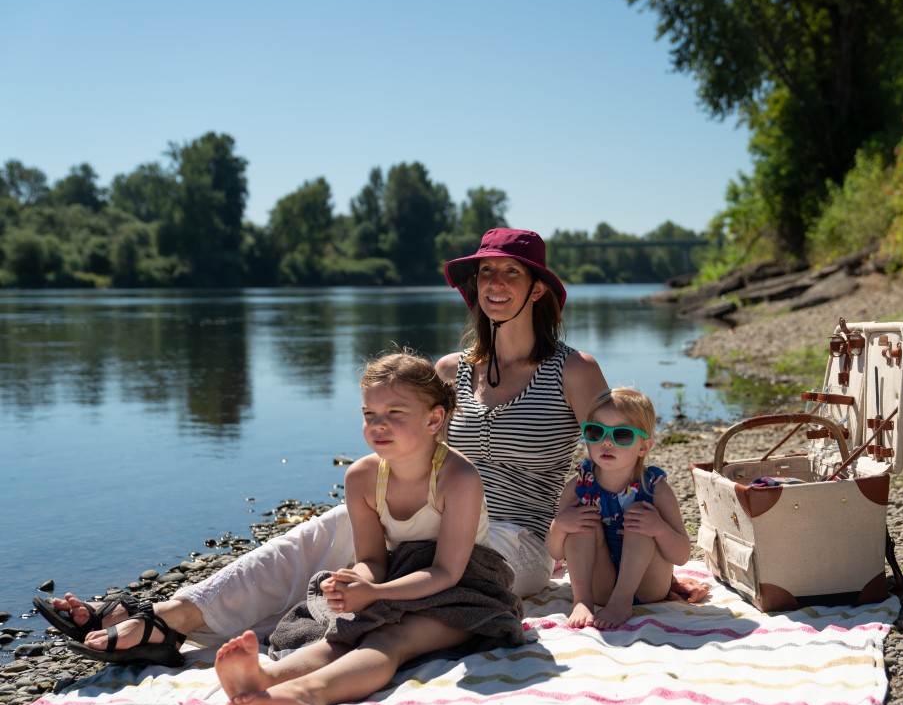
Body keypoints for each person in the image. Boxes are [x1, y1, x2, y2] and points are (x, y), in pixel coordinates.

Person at [38, 228, 697, 663]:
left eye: (509, 274)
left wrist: (592, 527)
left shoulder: (573, 370)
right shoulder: (447, 373)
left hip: (517, 541)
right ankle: (171, 618)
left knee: (398, 561)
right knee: (319, 533)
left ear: (537, 289)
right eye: (485, 274)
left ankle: (237, 637)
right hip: (432, 506)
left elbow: (615, 451)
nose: (494, 285)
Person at [211, 349, 523, 705]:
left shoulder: (458, 478)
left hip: (465, 587)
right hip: (398, 575)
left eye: (395, 413)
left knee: (389, 638)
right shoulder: (361, 477)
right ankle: (265, 678)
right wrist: (356, 581)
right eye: (369, 414)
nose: (378, 425)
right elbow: (374, 559)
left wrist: (376, 593)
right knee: (345, 631)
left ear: (434, 419)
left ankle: (311, 693)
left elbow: (447, 572)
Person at [546, 388, 691, 629]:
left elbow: (682, 555)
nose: (606, 441)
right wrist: (560, 525)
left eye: (621, 435)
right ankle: (582, 601)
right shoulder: (580, 485)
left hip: (648, 586)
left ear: (643, 447)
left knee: (640, 520)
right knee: (581, 522)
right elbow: (555, 552)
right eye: (595, 432)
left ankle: (622, 600)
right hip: (599, 589)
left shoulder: (654, 488)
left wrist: (659, 529)